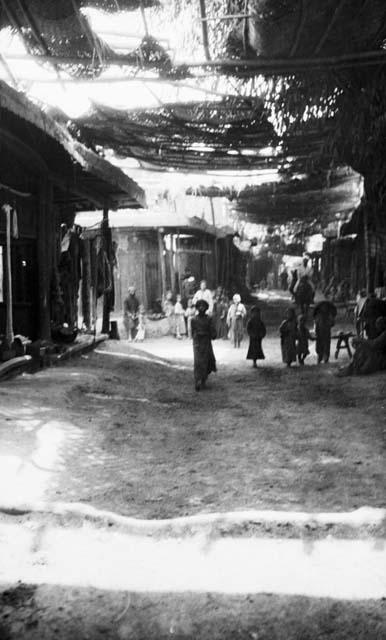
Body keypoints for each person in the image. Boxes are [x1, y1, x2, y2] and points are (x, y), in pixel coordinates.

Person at [191, 299, 217, 391]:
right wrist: (196, 341)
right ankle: (197, 380)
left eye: (204, 306)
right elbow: (192, 332)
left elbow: (213, 331)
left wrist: (212, 335)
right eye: (199, 306)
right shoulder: (193, 319)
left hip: (206, 343)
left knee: (206, 361)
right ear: (197, 308)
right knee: (198, 362)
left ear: (206, 308)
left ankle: (203, 380)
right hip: (198, 343)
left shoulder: (209, 319)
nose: (202, 308)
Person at [313, 300, 337, 364]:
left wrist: (330, 322)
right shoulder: (318, 316)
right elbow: (315, 324)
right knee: (319, 345)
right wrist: (316, 331)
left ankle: (326, 357)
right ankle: (320, 356)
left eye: (326, 307)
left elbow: (332, 323)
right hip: (319, 332)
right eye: (323, 307)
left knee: (326, 345)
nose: (324, 308)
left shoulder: (329, 315)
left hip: (326, 332)